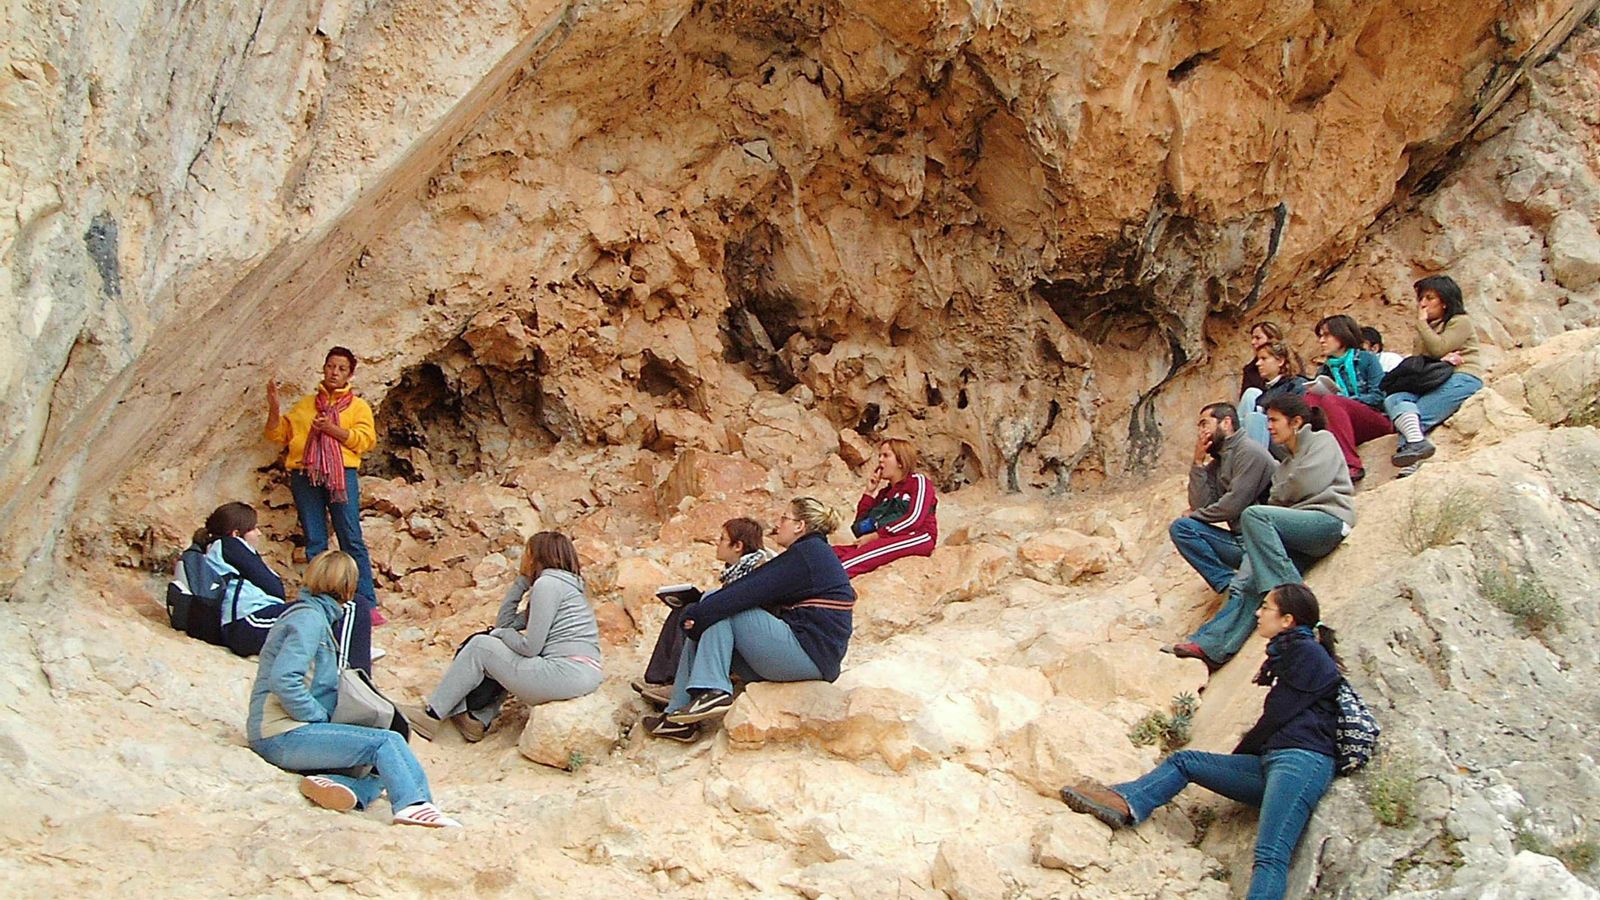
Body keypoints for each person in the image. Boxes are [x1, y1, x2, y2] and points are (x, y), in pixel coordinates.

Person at [1061, 583, 1342, 900]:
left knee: (1270, 856)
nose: (1258, 612)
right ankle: (1126, 802)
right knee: (1185, 762)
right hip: (1276, 763)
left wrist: (1241, 752)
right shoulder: (1292, 653)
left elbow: (1278, 715)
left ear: (1288, 620)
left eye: (1266, 608)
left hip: (1301, 762)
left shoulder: (1307, 653)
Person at [246, 551, 460, 827]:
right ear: (348, 587)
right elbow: (285, 679)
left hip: (287, 731)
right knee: (387, 741)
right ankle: (415, 804)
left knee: (386, 765)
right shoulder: (309, 620)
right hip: (281, 733)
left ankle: (337, 785)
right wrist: (318, 717)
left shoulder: (313, 617)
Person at [645, 498, 855, 742]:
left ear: (800, 526)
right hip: (802, 655)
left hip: (811, 656)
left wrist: (696, 615)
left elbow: (747, 592)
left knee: (722, 606)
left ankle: (714, 691)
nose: (778, 524)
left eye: (784, 518)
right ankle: (675, 720)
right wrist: (699, 618)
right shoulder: (808, 555)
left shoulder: (809, 554)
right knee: (712, 612)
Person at [1167, 395, 1354, 670]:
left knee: (1254, 515)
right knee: (1247, 581)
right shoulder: (1285, 462)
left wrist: (1283, 492)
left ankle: (1294, 592)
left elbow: (1298, 486)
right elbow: (1279, 493)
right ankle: (1212, 647)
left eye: (1274, 420)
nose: (1269, 427)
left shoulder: (1321, 441)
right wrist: (1197, 465)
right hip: (1288, 536)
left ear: (1297, 422)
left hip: (1327, 521)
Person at [402, 532, 602, 743]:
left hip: (564, 673)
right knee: (501, 649)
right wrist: (522, 582)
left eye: (527, 553)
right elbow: (506, 623)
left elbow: (529, 647)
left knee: (481, 646)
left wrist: (501, 634)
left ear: (537, 556)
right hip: (582, 674)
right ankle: (476, 719)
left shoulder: (548, 585)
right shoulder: (566, 587)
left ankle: (431, 716)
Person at [265, 346, 378, 671]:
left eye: (341, 368)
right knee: (315, 538)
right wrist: (274, 407)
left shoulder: (357, 407)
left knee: (350, 536)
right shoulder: (305, 406)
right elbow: (279, 434)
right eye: (330, 366)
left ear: (350, 374)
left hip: (343, 473)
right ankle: (317, 600)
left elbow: (364, 440)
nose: (334, 372)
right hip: (305, 473)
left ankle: (365, 603)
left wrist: (333, 431)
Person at [632, 517, 775, 707]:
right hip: (732, 630)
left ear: (737, 545)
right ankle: (659, 678)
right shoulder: (736, 570)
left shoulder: (758, 570)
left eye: (722, 539)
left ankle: (678, 682)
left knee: (694, 613)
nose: (717, 543)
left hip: (744, 639)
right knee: (682, 610)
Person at [1168, 403, 1276, 595]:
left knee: (1187, 522)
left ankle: (1237, 587)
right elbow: (1200, 503)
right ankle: (1225, 582)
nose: (1201, 432)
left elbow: (1233, 505)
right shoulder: (1220, 461)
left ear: (1226, 423)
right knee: (1181, 528)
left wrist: (1196, 515)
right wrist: (1198, 463)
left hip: (1262, 540)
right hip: (1239, 540)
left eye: (1204, 424)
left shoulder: (1248, 452)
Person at [1384, 275, 1484, 474]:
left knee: (1416, 415)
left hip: (1461, 378)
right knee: (1395, 399)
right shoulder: (1428, 329)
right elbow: (1420, 362)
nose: (1422, 304)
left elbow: (1438, 347)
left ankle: (1409, 459)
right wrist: (1439, 359)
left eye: (1429, 298)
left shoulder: (1460, 322)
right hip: (1431, 381)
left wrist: (1422, 325)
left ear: (1445, 301)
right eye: (1421, 299)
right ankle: (1417, 445)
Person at [193, 502, 290, 657]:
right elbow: (272, 586)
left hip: (241, 626)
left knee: (313, 614)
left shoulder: (217, 548)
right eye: (253, 528)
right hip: (246, 624)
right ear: (236, 533)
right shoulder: (230, 544)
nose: (258, 533)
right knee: (312, 612)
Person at [1304, 315, 1392, 482]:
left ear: (1342, 335)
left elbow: (1379, 396)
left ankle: (1352, 465)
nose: (1321, 341)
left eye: (1327, 335)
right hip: (1341, 424)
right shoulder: (1325, 369)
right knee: (1310, 399)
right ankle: (1315, 462)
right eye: (1320, 336)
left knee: (1331, 401)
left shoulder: (1367, 358)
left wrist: (1347, 401)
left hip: (1374, 419)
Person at [833, 438, 938, 577]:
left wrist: (877, 536)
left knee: (853, 562)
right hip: (886, 538)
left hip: (917, 536)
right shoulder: (885, 493)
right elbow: (861, 528)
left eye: (886, 455)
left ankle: (829, 583)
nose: (880, 460)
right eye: (879, 456)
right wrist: (869, 493)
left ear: (901, 461)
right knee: (830, 554)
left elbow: (914, 519)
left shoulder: (918, 482)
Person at [1239, 342, 1307, 449]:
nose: (1258, 363)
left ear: (1280, 361)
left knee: (1255, 419)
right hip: (1272, 441)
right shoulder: (1265, 393)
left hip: (1289, 440)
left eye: (1264, 358)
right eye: (1258, 359)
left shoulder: (1297, 385)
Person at [1239, 321, 1286, 396]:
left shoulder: (1292, 364)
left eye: (1258, 338)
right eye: (1252, 338)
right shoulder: (1250, 370)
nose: (1253, 342)